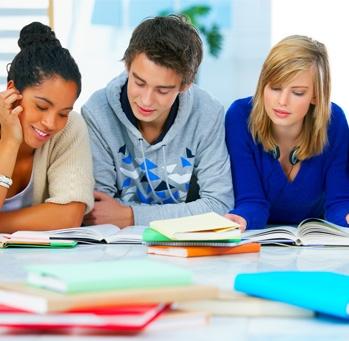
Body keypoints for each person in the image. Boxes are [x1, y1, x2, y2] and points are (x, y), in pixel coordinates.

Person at [82, 15, 234, 227]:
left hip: (186, 248)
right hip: (115, 249)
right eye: (139, 82)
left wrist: (131, 216)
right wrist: (188, 213)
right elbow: (98, 212)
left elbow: (219, 205)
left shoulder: (207, 113)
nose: (146, 100)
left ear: (185, 86)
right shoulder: (98, 112)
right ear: (127, 66)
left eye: (163, 90)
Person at [225, 35, 349, 230]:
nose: (282, 101)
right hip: (259, 244)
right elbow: (251, 202)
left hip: (316, 247)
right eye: (275, 88)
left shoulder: (334, 122)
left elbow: (338, 204)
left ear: (315, 95)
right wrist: (240, 220)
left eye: (298, 92)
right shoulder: (240, 117)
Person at [0, 22, 94, 232]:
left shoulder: (70, 128)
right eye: (41, 106)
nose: (51, 123)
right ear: (13, 91)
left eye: (63, 113)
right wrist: (9, 141)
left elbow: (69, 215)